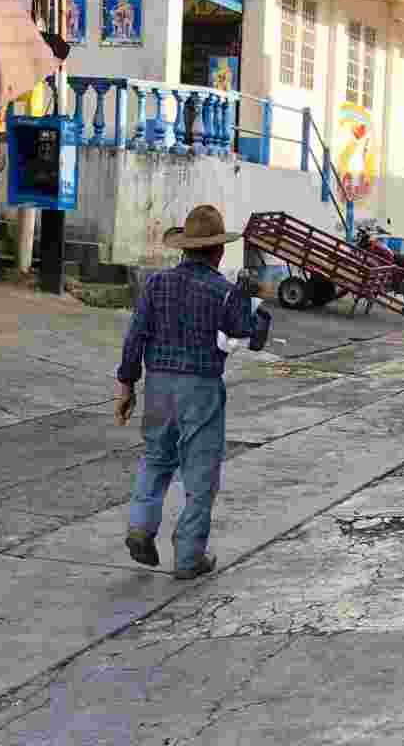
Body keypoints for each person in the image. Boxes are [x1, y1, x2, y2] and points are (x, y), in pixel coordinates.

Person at [114, 205, 258, 580]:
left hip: (158, 383)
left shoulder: (155, 285)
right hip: (201, 387)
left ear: (184, 248)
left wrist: (127, 383)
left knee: (156, 458)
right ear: (218, 251)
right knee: (200, 472)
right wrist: (250, 297)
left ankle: (141, 526)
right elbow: (248, 334)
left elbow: (135, 337)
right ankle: (189, 555)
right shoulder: (224, 292)